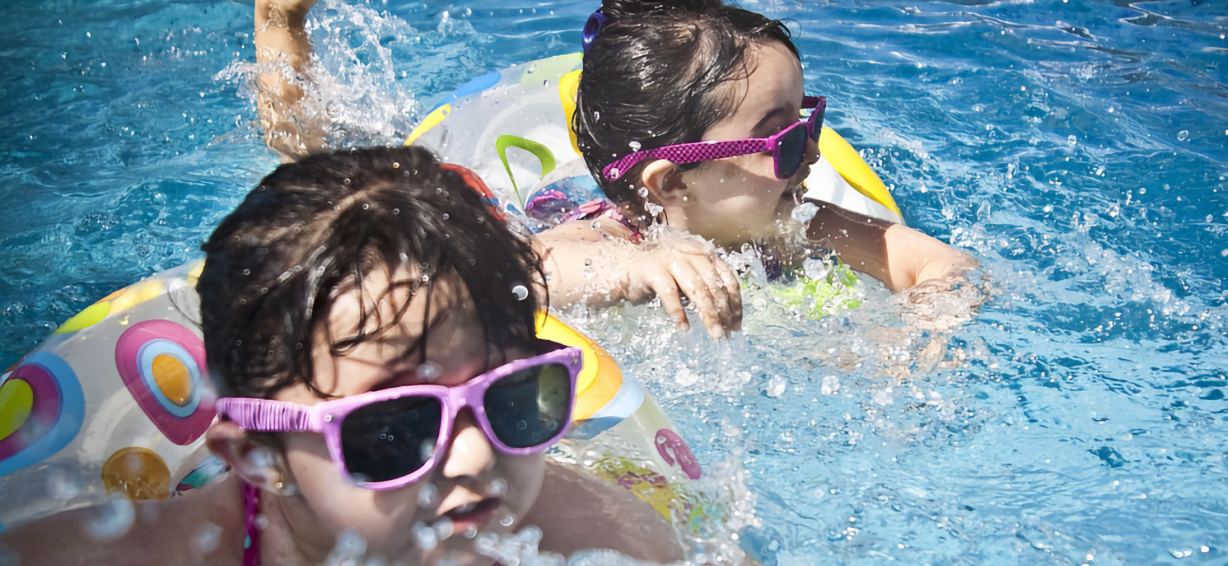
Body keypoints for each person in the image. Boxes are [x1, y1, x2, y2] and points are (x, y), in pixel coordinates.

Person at [0, 146, 681, 566]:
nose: (477, 456)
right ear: (259, 457)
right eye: (397, 427)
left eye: (511, 400)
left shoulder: (579, 535)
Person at [250, 0, 977, 341]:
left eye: (808, 122)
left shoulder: (800, 225)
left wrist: (921, 333)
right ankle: (281, 23)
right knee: (325, 170)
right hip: (526, 204)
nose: (812, 156)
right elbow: (507, 280)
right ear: (669, 184)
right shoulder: (606, 243)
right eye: (782, 143)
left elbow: (936, 264)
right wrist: (633, 272)